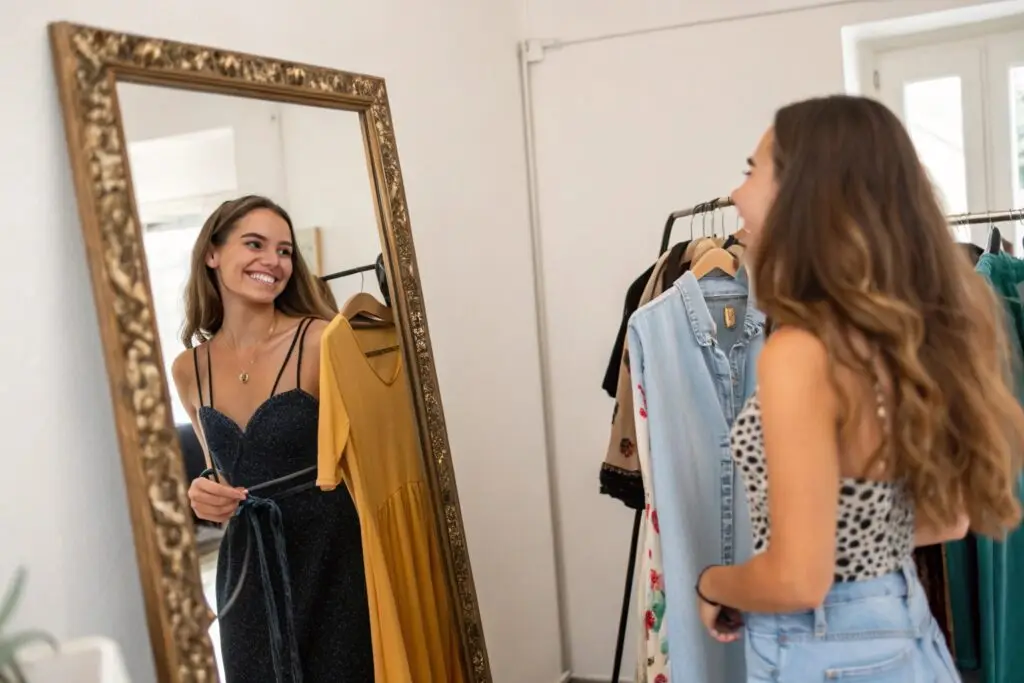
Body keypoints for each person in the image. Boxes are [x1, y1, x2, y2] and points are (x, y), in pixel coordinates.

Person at [694, 95, 1024, 681]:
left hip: (828, 645)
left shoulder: (800, 350)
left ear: (803, 195)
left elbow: (798, 578)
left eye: (751, 171)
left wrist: (715, 582)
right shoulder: (893, 335)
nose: (736, 193)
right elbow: (948, 520)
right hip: (901, 622)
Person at [170, 195, 373, 682]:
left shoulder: (322, 340)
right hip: (246, 563)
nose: (273, 261)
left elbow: (372, 463)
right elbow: (220, 471)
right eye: (255, 244)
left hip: (332, 553)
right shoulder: (187, 369)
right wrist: (203, 491)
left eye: (284, 251)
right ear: (212, 254)